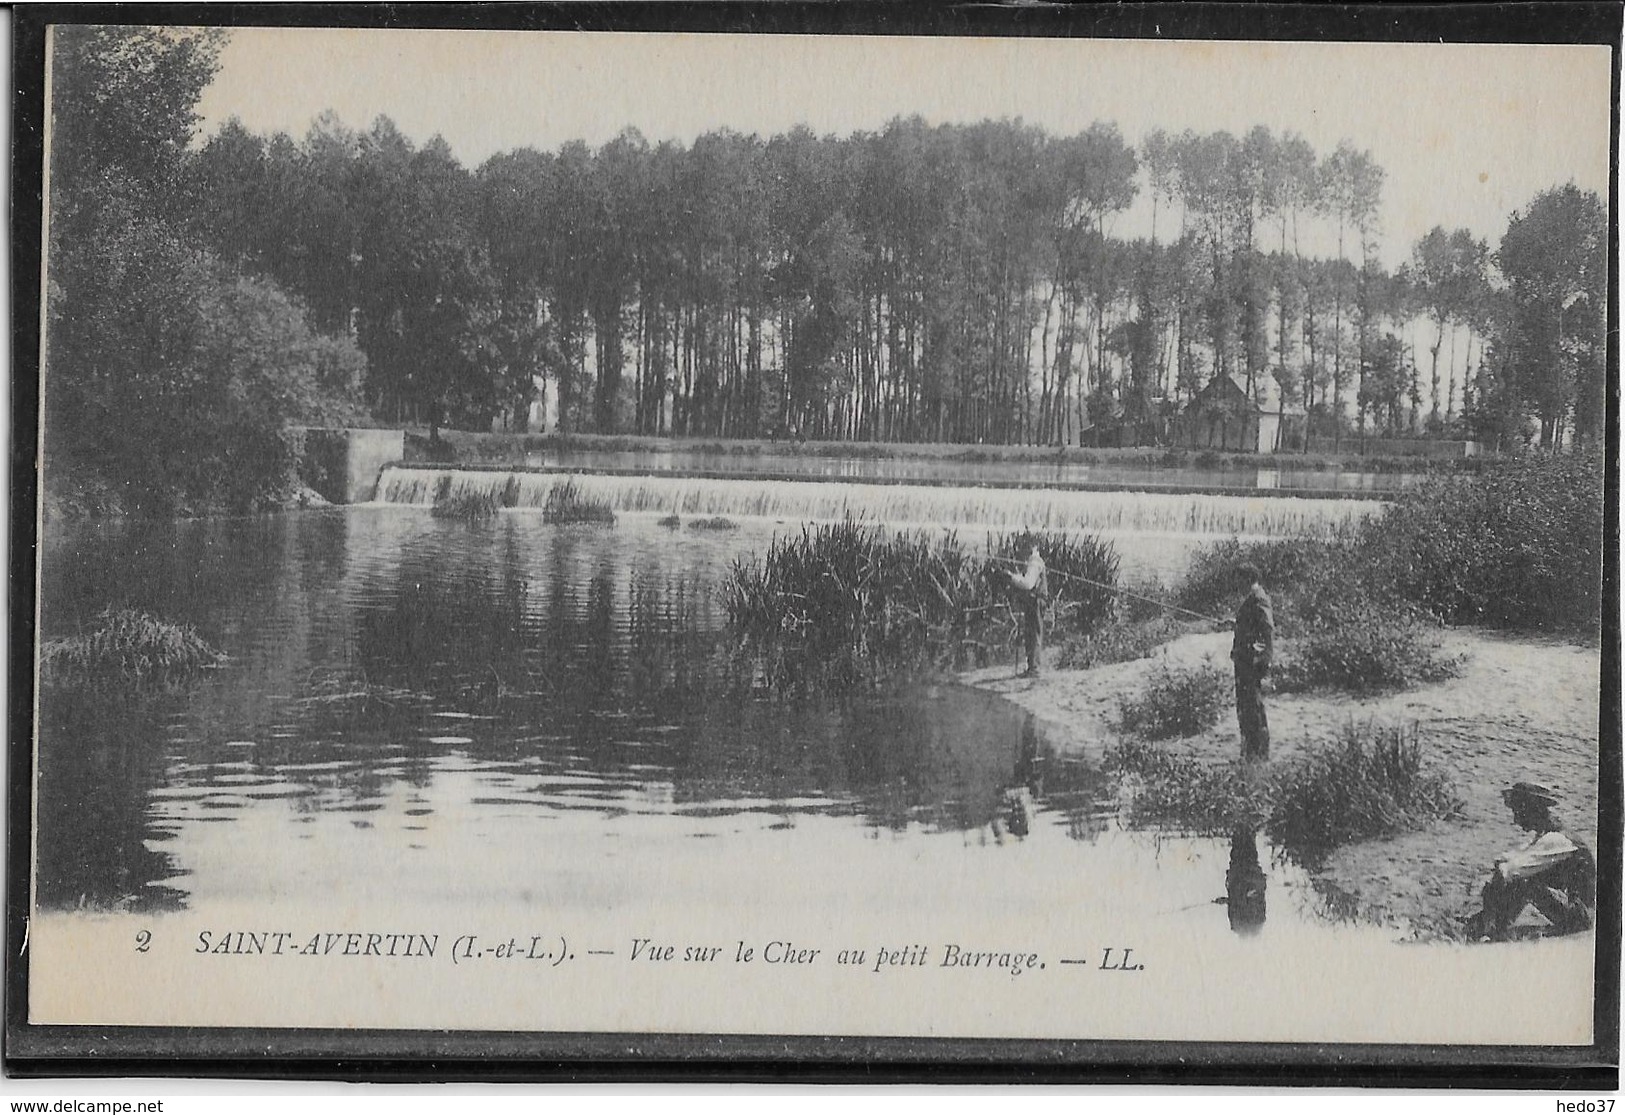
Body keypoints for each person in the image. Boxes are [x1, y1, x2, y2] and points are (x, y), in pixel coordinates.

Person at [1467, 782, 1596, 941]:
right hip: (1574, 909)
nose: (1515, 820)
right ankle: (1490, 924)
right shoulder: (1545, 835)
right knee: (1520, 878)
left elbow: (1511, 869)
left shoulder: (1557, 839)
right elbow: (1513, 858)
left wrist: (1497, 879)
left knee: (1524, 881)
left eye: (1518, 812)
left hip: (1580, 917)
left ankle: (1491, 926)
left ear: (1531, 810)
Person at [1230, 563, 1274, 761]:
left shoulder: (1258, 598)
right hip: (1245, 661)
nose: (1237, 583)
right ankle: (1251, 751)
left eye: (1239, 579)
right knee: (1246, 707)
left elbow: (1267, 631)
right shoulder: (1253, 598)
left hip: (1250, 663)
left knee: (1252, 708)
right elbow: (1252, 625)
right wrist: (1235, 624)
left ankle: (1257, 753)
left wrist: (1260, 658)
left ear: (1248, 579)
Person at [1004, 542, 1049, 678]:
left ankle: (1034, 669)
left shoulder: (1034, 562)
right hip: (1032, 602)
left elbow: (1028, 583)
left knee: (1034, 634)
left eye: (1024, 547)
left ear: (1031, 548)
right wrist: (1013, 576)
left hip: (1036, 601)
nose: (1022, 550)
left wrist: (1011, 577)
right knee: (1030, 634)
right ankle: (1032, 667)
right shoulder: (1032, 561)